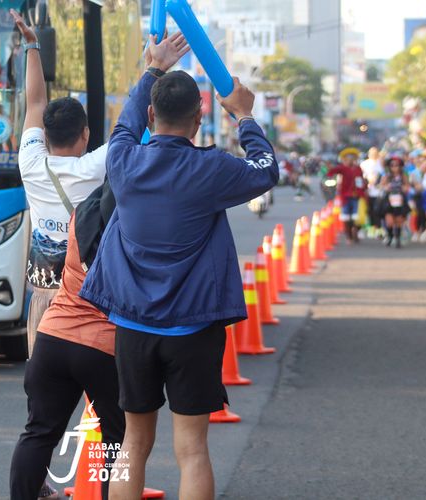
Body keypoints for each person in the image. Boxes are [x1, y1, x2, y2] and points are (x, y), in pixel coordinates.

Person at [79, 37, 277, 499]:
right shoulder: (212, 170)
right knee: (192, 449)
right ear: (199, 116)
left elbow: (125, 123)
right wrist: (245, 116)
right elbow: (266, 169)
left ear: (152, 115)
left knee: (133, 442)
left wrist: (153, 68)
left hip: (133, 326)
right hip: (192, 329)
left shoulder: (123, 160)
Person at [10, 181, 124, 500]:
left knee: (38, 433)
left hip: (53, 337)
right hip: (104, 346)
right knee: (119, 441)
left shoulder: (81, 215)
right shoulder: (133, 228)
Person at [10, 9, 108, 357]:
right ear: (86, 134)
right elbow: (131, 130)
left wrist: (32, 46)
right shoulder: (96, 166)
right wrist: (153, 69)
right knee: (91, 385)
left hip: (42, 298)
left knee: (43, 385)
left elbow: (36, 102)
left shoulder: (30, 162)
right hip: (84, 301)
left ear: (46, 135)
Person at [326, 148, 366, 244]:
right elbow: (332, 172)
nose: (350, 160)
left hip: (357, 196)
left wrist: (363, 189)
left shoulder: (358, 169)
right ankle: (349, 236)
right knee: (346, 217)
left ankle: (355, 232)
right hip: (345, 196)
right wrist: (329, 167)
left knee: (357, 217)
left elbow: (361, 181)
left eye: (352, 158)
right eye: (347, 159)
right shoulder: (343, 168)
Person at [380, 156, 411, 249]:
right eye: (392, 165)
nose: (394, 167)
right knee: (389, 221)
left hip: (400, 199)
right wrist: (386, 187)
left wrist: (404, 188)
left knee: (399, 220)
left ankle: (397, 238)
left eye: (396, 165)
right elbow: (381, 186)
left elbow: (407, 186)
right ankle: (390, 236)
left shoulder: (403, 176)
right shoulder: (386, 176)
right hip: (389, 200)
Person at [360, 147, 385, 238]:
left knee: (378, 211)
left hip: (379, 192)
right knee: (370, 211)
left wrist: (380, 183)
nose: (373, 154)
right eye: (372, 153)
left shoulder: (380, 163)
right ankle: (371, 229)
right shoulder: (364, 164)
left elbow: (384, 175)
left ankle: (379, 229)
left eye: (375, 153)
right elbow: (361, 176)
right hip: (368, 191)